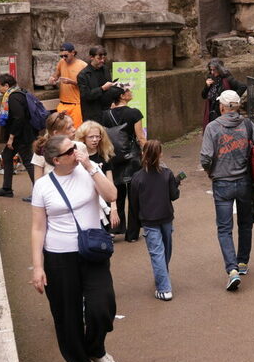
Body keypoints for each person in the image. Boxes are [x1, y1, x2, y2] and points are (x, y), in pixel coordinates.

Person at [29, 134, 120, 362]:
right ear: (56, 160)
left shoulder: (90, 170)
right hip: (58, 257)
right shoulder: (43, 186)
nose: (76, 152)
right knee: (67, 317)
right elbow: (38, 228)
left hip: (91, 251)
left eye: (76, 147)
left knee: (102, 307)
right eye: (70, 151)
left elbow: (111, 196)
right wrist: (38, 267)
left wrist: (90, 166)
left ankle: (96, 350)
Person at [199, 89, 254, 291]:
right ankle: (243, 262)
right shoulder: (247, 124)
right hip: (245, 182)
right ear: (236, 107)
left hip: (222, 183)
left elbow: (205, 158)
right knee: (245, 223)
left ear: (222, 107)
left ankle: (232, 270)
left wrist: (212, 171)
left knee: (224, 229)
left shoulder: (213, 127)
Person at [133, 140, 180, 301]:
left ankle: (164, 286)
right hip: (166, 216)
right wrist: (176, 182)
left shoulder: (137, 178)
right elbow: (174, 195)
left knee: (157, 252)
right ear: (160, 154)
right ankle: (163, 280)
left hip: (148, 219)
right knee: (166, 249)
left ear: (143, 154)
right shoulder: (167, 174)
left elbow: (134, 204)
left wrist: (134, 225)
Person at [102, 85, 144, 241]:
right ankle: (132, 234)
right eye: (127, 91)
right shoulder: (134, 113)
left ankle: (115, 228)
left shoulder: (105, 115)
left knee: (116, 194)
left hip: (112, 158)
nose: (130, 92)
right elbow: (140, 138)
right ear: (122, 96)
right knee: (134, 196)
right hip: (131, 158)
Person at [0, 73, 38, 198]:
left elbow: (19, 118)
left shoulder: (13, 97)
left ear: (6, 85)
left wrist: (11, 137)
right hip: (21, 134)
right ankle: (7, 189)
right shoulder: (18, 92)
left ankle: (39, 193)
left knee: (28, 161)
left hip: (20, 136)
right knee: (7, 156)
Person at [72, 121, 119, 231]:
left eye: (97, 137)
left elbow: (110, 183)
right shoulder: (75, 157)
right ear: (83, 138)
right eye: (91, 137)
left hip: (103, 201)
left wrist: (113, 208)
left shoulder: (104, 156)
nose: (95, 140)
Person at [77, 45, 119, 126]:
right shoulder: (83, 75)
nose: (102, 61)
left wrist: (114, 101)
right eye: (99, 58)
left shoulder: (105, 69)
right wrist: (102, 88)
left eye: (104, 58)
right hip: (92, 114)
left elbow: (110, 88)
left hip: (107, 112)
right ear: (91, 57)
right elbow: (86, 95)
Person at [30, 111, 76, 182]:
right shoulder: (41, 152)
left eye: (73, 125)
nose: (74, 129)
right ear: (56, 133)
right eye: (69, 128)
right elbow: (37, 182)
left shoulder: (79, 146)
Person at [49, 43, 87, 127]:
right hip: (62, 103)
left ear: (73, 53)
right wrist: (52, 78)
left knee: (76, 131)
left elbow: (88, 85)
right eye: (61, 56)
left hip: (76, 104)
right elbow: (56, 75)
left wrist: (72, 82)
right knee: (61, 129)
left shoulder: (82, 65)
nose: (63, 58)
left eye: (65, 56)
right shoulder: (61, 62)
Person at [201, 58, 246, 127]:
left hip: (224, 111)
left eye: (214, 70)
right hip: (212, 111)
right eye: (211, 70)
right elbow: (204, 95)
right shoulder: (211, 78)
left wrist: (232, 100)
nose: (212, 72)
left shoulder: (227, 78)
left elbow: (243, 86)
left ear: (219, 69)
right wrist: (207, 86)